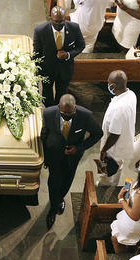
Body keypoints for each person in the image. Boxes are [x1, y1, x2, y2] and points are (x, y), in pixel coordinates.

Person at [40, 93, 103, 228]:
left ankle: (60, 197)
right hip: (54, 156)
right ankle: (53, 207)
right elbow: (44, 135)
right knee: (54, 181)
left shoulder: (85, 116)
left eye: (70, 113)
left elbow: (98, 133)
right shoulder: (48, 114)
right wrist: (45, 157)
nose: (67, 116)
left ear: (75, 109)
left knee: (67, 180)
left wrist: (79, 148)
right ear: (58, 108)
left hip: (72, 157)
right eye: (63, 113)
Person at [33, 5, 85, 105]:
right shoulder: (40, 31)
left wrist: (68, 54)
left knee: (62, 93)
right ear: (50, 18)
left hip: (65, 69)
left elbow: (81, 45)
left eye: (61, 21)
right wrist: (37, 69)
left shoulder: (74, 28)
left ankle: (59, 111)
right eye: (55, 21)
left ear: (65, 19)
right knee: (47, 93)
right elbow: (37, 53)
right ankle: (49, 111)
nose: (58, 24)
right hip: (47, 69)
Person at [98, 70, 137, 186]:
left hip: (114, 148)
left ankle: (103, 185)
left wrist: (104, 150)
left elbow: (114, 134)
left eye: (108, 83)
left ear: (112, 86)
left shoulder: (119, 109)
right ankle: (113, 182)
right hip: (123, 143)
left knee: (107, 169)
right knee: (117, 167)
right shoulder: (131, 94)